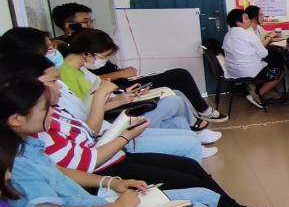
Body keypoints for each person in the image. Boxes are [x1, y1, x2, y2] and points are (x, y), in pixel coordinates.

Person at [0, 57, 272, 207]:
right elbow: (80, 165)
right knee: (186, 164)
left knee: (188, 163)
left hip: (106, 164)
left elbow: (70, 156)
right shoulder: (26, 151)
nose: (59, 87)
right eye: (53, 81)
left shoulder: (39, 128)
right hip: (104, 173)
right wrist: (122, 138)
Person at [49, 3, 228, 122]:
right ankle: (201, 115)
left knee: (176, 88)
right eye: (85, 22)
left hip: (119, 86)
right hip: (116, 88)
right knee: (179, 77)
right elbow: (93, 90)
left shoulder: (83, 51)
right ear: (69, 26)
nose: (91, 26)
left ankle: (196, 122)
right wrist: (120, 75)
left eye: (91, 21)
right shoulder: (70, 53)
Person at [55, 32, 221, 154]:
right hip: (111, 119)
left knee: (175, 107)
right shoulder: (66, 77)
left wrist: (123, 96)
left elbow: (99, 100)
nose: (103, 61)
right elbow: (90, 112)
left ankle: (194, 139)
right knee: (174, 100)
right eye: (103, 57)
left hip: (114, 107)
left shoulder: (82, 70)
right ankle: (194, 138)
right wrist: (116, 99)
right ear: (87, 53)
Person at [222, 8, 284, 108]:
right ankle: (258, 94)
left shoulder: (228, 35)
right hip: (248, 71)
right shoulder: (248, 35)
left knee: (270, 63)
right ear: (238, 22)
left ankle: (258, 90)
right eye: (246, 19)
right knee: (280, 71)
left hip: (233, 72)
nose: (249, 21)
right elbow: (264, 54)